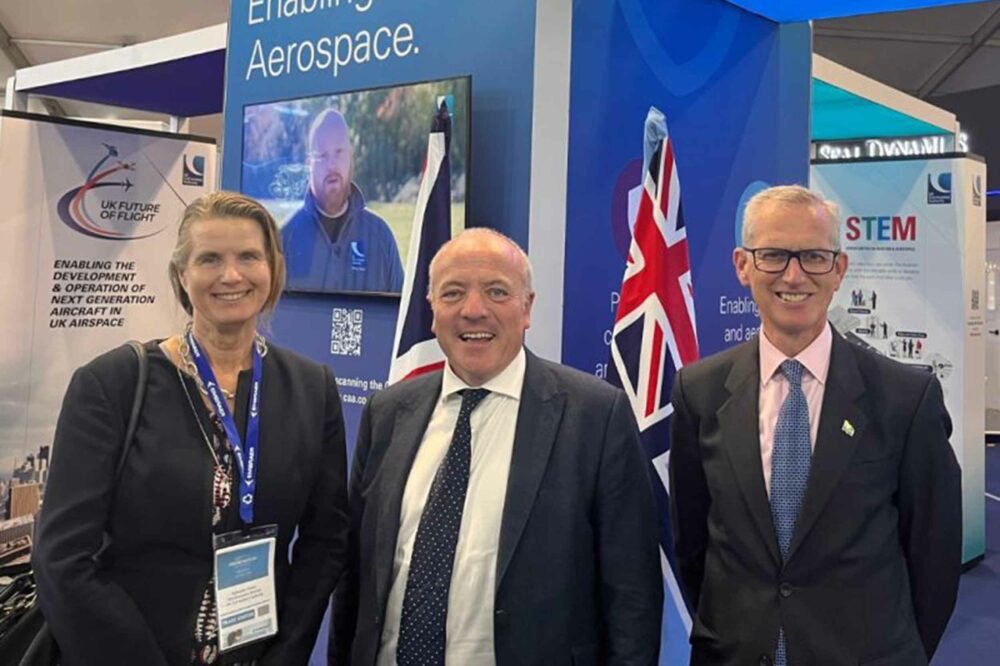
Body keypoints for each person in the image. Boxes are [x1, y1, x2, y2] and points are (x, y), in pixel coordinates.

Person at [33, 192, 350, 665]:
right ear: (182, 274)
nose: (231, 275)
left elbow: (326, 540)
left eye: (249, 256)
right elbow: (63, 559)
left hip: (258, 652)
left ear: (272, 269)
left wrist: (285, 654)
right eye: (210, 259)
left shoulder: (311, 388)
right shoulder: (111, 386)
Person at [329, 228, 663, 665]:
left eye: (496, 292)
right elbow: (355, 580)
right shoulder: (388, 413)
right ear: (431, 310)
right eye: (452, 293)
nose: (473, 310)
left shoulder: (595, 417)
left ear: (527, 308)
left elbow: (633, 597)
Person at [669, 185, 961, 666]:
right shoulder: (699, 392)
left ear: (839, 270)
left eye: (813, 257)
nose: (793, 274)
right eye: (773, 255)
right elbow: (694, 545)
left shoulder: (906, 400)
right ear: (742, 265)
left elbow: (934, 558)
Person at [281, 108, 404, 293]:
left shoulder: (380, 236)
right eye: (322, 155)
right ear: (309, 164)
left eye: (339, 152)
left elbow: (402, 314)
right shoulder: (285, 238)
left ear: (350, 156)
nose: (332, 165)